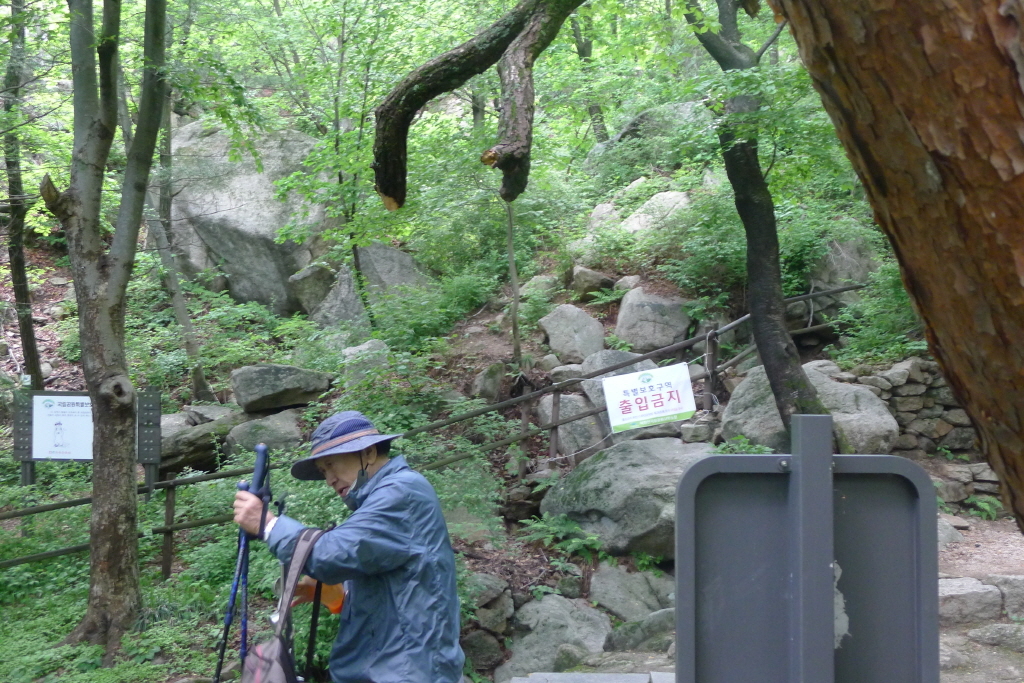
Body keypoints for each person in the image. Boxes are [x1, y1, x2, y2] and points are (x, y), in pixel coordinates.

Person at [233, 410, 465, 683]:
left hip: (405, 672)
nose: (329, 479)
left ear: (368, 453)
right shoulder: (384, 498)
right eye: (323, 471)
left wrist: (267, 524)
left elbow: (328, 555)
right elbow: (394, 579)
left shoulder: (401, 492)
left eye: (331, 464)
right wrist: (339, 592)